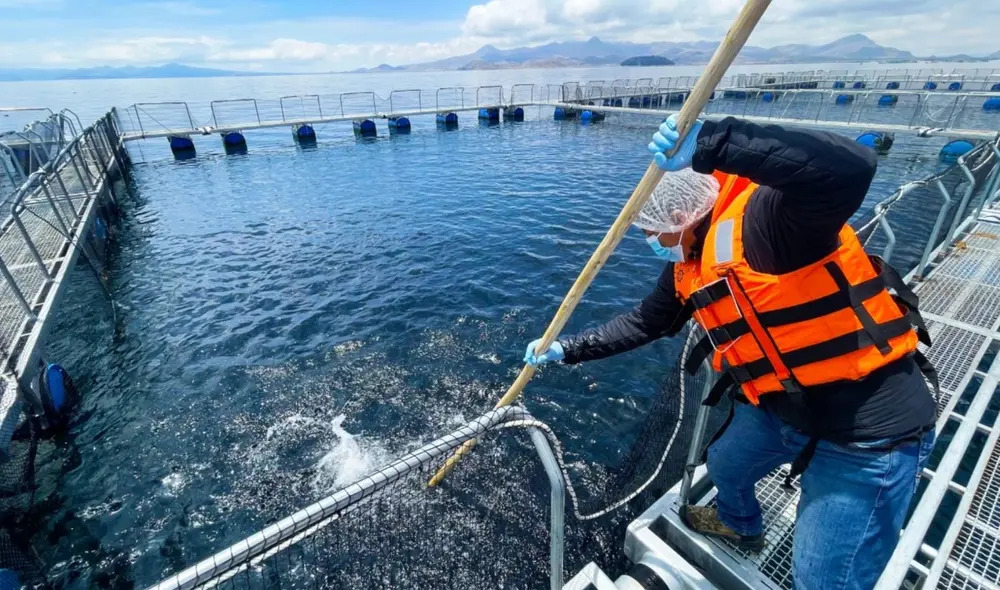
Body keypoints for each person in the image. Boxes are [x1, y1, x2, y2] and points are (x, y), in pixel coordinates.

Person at [523, 115, 938, 590]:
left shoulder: (771, 221)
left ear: (679, 218)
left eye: (651, 232)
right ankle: (740, 524)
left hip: (867, 433)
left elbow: (851, 168)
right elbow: (645, 322)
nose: (651, 243)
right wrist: (567, 349)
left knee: (824, 579)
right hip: (780, 410)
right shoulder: (690, 262)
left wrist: (715, 141)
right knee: (724, 464)